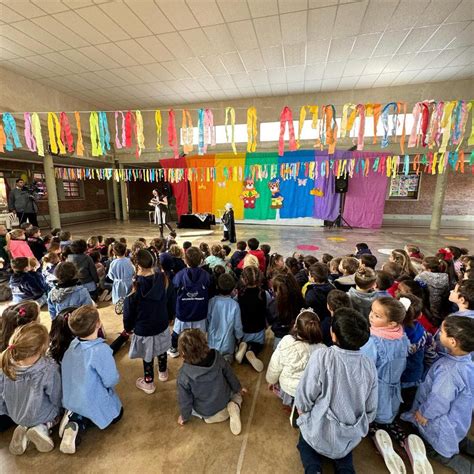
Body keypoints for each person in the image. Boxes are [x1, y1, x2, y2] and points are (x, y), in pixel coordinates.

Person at [295, 308, 378, 473]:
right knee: (344, 456)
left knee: (305, 446)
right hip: (347, 437)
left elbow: (305, 395)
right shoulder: (369, 365)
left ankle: (314, 469)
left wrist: (302, 411)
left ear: (333, 335)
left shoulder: (322, 356)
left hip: (318, 431)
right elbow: (371, 409)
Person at [401, 317, 474, 473]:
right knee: (457, 437)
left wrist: (424, 413)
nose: (439, 334)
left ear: (453, 342)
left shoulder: (449, 371)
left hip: (440, 422)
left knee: (438, 449)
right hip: (458, 418)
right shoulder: (466, 361)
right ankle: (464, 444)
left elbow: (439, 400)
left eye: (442, 332)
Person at [60, 306, 123, 454]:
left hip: (70, 398)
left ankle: (75, 420)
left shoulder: (72, 344)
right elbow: (111, 380)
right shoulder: (101, 350)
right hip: (90, 399)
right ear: (98, 324)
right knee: (117, 415)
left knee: (85, 405)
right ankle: (79, 421)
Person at [0, 322, 61, 455]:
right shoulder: (48, 368)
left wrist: (6, 411)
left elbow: (1, 397)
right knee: (58, 412)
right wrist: (61, 407)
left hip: (15, 415)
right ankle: (42, 428)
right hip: (39, 414)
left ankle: (23, 428)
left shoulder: (5, 365)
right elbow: (56, 395)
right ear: (41, 349)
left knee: (26, 412)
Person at [123, 249, 175, 394]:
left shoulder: (134, 287)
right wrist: (170, 316)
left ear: (137, 265)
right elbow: (172, 300)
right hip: (162, 323)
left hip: (143, 329)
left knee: (147, 356)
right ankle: (163, 373)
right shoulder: (164, 279)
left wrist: (128, 327)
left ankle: (149, 383)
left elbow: (128, 313)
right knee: (162, 348)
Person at [176, 329, 246, 436]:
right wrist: (238, 388)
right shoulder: (217, 356)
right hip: (225, 397)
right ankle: (235, 405)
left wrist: (184, 416)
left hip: (207, 411)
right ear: (205, 343)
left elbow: (185, 401)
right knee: (237, 395)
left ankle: (224, 413)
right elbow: (229, 374)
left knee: (199, 414)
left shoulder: (183, 375)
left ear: (183, 354)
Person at [361, 297, 409, 440]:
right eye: (371, 311)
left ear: (392, 322)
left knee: (375, 406)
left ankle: (373, 425)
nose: (370, 315)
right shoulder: (401, 336)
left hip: (377, 384)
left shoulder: (373, 342)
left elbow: (364, 367)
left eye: (377, 316)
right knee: (389, 406)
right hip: (394, 382)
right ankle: (388, 424)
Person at [266, 309, 325, 417]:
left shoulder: (286, 341)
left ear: (295, 327)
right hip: (309, 391)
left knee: (287, 392)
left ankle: (290, 406)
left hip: (288, 386)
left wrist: (271, 380)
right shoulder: (323, 349)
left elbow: (275, 365)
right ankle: (300, 410)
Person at [168, 246, 211, 358]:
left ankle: (173, 349)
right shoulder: (206, 275)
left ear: (185, 260)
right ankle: (202, 350)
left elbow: (173, 293)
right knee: (200, 334)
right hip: (200, 312)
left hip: (183, 313)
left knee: (177, 332)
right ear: (201, 260)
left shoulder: (179, 276)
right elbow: (210, 292)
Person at [398, 293, 437, 412]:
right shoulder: (424, 334)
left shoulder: (391, 335)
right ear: (420, 315)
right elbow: (431, 355)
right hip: (413, 376)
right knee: (406, 404)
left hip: (394, 377)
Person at [236, 266, 268, 370]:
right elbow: (267, 310)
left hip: (244, 330)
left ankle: (242, 346)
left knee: (240, 341)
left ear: (243, 279)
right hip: (259, 329)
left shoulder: (239, 295)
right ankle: (252, 350)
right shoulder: (264, 293)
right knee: (259, 345)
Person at [207, 273, 243, 363]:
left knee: (212, 359)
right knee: (228, 360)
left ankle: (213, 363)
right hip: (228, 346)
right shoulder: (235, 305)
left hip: (212, 345)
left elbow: (207, 320)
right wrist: (239, 337)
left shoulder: (211, 301)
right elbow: (237, 326)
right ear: (232, 289)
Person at [267, 272, 305, 350]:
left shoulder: (273, 304)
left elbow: (270, 321)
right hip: (298, 336)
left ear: (277, 291)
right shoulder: (300, 300)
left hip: (280, 337)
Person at [415, 256, 451, 324]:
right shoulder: (445, 276)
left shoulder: (421, 276)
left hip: (427, 301)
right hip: (441, 299)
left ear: (428, 269)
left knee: (431, 315)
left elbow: (416, 286)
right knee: (438, 313)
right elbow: (447, 289)